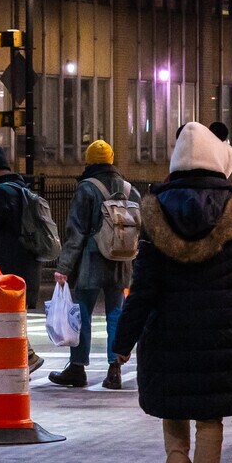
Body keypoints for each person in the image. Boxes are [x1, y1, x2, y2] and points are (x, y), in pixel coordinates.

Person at [112, 122, 232, 463]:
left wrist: (122, 343)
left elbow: (142, 288)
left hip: (169, 332)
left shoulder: (154, 207)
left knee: (174, 411)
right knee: (211, 419)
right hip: (224, 332)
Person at [50, 139, 136, 390]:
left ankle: (77, 368)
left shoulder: (87, 188)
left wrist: (64, 267)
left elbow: (76, 232)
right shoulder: (130, 189)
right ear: (111, 160)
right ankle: (115, 369)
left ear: (89, 161)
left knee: (83, 313)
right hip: (121, 260)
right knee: (115, 313)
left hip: (91, 260)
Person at [0, 144, 53, 374]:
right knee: (11, 316)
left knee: (2, 317)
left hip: (4, 270)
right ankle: (19, 357)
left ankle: (24, 356)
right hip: (26, 267)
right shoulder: (23, 190)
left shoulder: (0, 193)